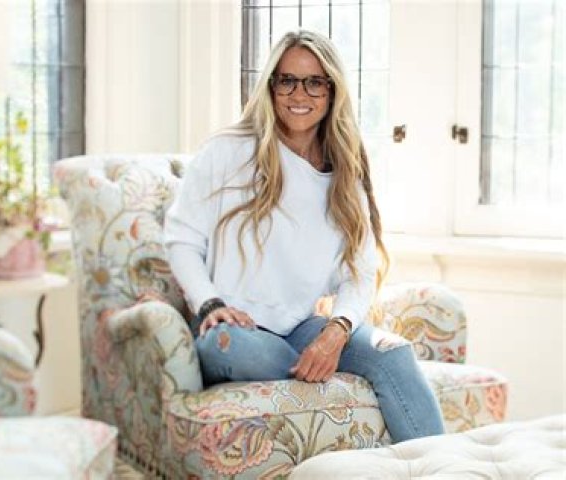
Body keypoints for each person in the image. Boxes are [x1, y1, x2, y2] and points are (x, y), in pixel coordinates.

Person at [163, 29, 444, 443]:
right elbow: (182, 241)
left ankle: (441, 468)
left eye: (314, 82)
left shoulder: (345, 174)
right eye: (288, 81)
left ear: (332, 91)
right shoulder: (227, 151)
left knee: (393, 353)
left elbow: (360, 273)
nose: (300, 94)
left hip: (299, 328)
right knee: (240, 348)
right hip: (233, 330)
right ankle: (310, 368)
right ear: (271, 86)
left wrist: (337, 332)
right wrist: (210, 304)